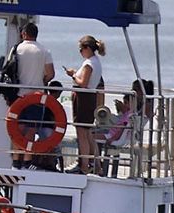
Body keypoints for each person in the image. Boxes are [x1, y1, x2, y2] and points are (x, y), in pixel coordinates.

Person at [8, 21, 55, 168]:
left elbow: (9, 70)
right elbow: (51, 74)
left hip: (19, 95)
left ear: (24, 34)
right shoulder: (45, 51)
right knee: (32, 128)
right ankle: (27, 160)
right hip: (36, 95)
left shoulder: (16, 49)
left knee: (18, 128)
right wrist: (42, 81)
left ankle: (16, 159)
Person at [64, 35, 106, 174]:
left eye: (81, 49)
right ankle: (97, 165)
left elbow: (83, 83)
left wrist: (73, 74)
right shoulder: (95, 62)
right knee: (88, 134)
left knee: (82, 134)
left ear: (87, 48)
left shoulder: (89, 63)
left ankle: (84, 166)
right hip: (89, 98)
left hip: (84, 99)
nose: (80, 52)